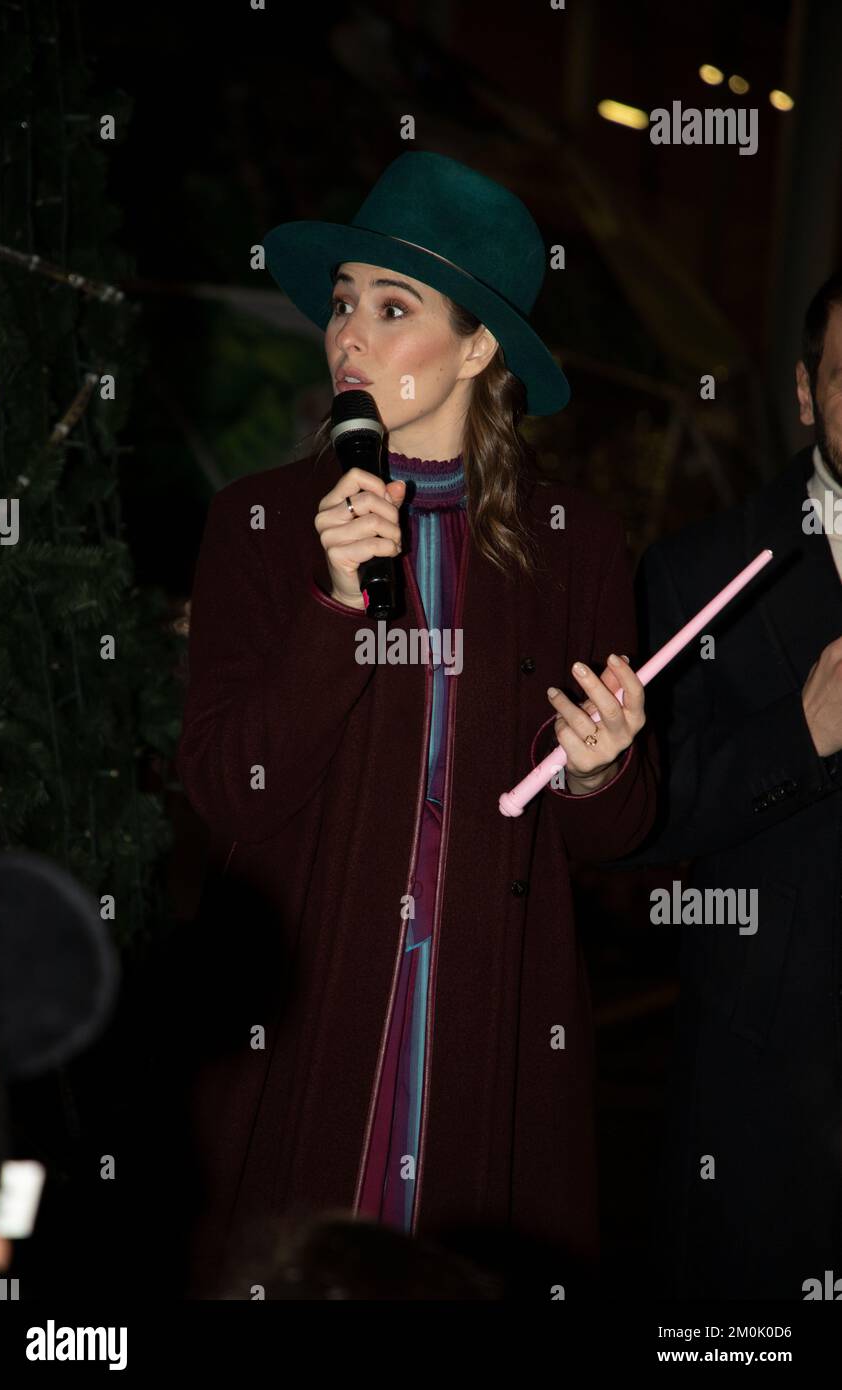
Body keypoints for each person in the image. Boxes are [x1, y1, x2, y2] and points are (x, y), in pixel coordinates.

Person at [176, 150, 657, 1298]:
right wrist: (334, 606)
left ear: (478, 346)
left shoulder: (571, 544)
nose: (347, 331)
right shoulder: (257, 522)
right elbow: (229, 789)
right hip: (309, 997)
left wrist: (600, 770)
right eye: (343, 300)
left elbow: (615, 837)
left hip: (487, 1013)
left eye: (393, 307)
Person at [619, 268, 842, 1299]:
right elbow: (645, 809)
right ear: (804, 392)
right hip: (772, 1088)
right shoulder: (705, 569)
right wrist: (799, 736)